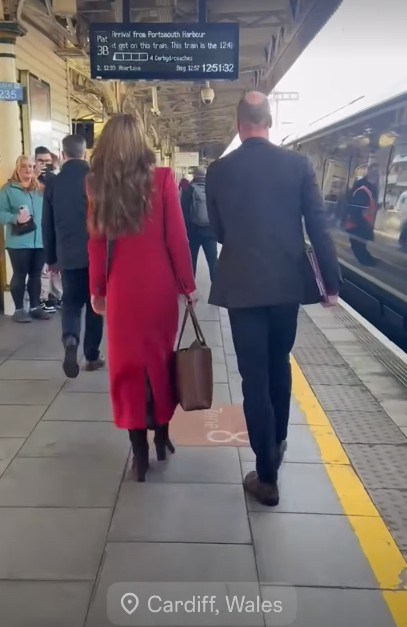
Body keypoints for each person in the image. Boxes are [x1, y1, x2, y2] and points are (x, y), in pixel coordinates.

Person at [206, 92, 340, 507]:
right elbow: (317, 226)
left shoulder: (219, 170)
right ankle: (278, 442)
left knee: (254, 377)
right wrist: (330, 286)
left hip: (243, 287)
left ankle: (266, 476)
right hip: (285, 286)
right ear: (269, 120)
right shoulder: (297, 165)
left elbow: (219, 230)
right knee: (279, 364)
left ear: (239, 122)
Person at [87, 112, 196, 482]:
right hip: (159, 287)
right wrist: (187, 284)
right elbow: (176, 239)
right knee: (160, 361)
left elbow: (97, 244)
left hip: (121, 290)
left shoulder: (96, 186)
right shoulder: (163, 178)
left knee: (127, 368)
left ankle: (139, 454)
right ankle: (163, 437)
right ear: (141, 143)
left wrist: (98, 290)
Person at [42, 134, 104, 378]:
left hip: (67, 254)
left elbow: (47, 224)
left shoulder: (54, 183)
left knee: (70, 302)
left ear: (63, 153)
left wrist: (51, 258)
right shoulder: (96, 179)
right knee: (94, 305)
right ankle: (91, 355)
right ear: (85, 152)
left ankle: (70, 339)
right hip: (96, 253)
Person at [0, 156, 50, 322]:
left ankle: (35, 307)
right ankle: (19, 310)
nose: (28, 169)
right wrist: (15, 218)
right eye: (24, 166)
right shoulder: (8, 189)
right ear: (17, 168)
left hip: (40, 241)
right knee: (20, 275)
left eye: (31, 166)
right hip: (18, 242)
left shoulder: (40, 189)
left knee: (36, 275)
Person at [181, 166, 218, 282]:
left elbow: (184, 210)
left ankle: (190, 289)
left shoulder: (189, 189)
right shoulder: (213, 188)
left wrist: (185, 231)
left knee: (191, 261)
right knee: (213, 261)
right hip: (210, 232)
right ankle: (218, 289)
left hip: (193, 232)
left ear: (194, 175)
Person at [345, 163, 379, 266]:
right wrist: (363, 224)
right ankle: (367, 262)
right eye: (375, 173)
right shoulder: (363, 188)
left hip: (362, 224)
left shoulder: (369, 188)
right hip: (359, 224)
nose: (377, 176)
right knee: (358, 244)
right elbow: (356, 208)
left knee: (359, 244)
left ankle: (368, 261)